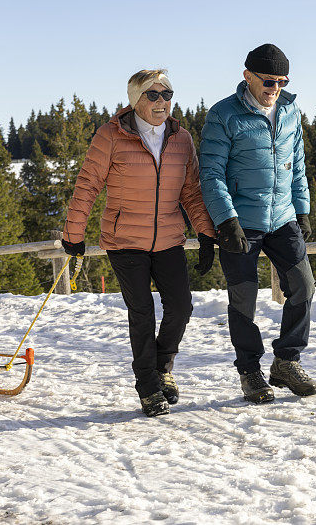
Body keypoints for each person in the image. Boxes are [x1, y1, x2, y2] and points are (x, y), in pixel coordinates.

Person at [62, 69, 217, 417]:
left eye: (167, 94)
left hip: (168, 237)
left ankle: (163, 368)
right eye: (153, 94)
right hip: (124, 239)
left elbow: (191, 192)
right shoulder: (110, 136)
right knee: (142, 312)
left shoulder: (181, 139)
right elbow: (87, 186)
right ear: (135, 100)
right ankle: (148, 386)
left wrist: (205, 233)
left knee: (181, 307)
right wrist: (74, 234)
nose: (162, 101)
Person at [199, 44, 316, 404]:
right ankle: (249, 371)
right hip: (241, 222)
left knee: (303, 286)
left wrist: (302, 209)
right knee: (244, 299)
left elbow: (296, 163)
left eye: (282, 80)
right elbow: (211, 173)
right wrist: (226, 219)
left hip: (282, 217)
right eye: (269, 80)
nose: (275, 88)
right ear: (247, 75)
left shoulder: (289, 109)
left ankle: (287, 361)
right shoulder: (223, 115)